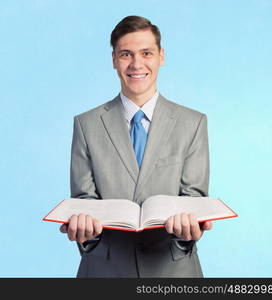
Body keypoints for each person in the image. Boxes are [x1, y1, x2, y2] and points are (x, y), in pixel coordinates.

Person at [60, 15, 212, 277]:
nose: (136, 64)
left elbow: (194, 199)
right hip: (104, 270)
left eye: (146, 53)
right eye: (126, 54)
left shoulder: (193, 123)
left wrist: (189, 229)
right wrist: (84, 231)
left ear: (161, 56)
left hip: (173, 271)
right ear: (113, 60)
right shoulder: (86, 125)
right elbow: (84, 201)